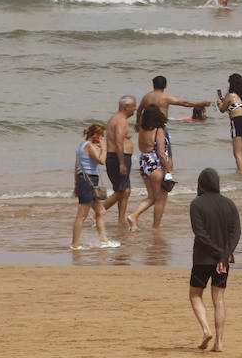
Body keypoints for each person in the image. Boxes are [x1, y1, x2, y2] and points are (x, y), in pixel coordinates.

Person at [189, 167, 240, 352]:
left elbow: (200, 234)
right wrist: (224, 255)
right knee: (218, 299)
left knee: (195, 295)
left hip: (202, 259)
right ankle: (219, 342)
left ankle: (206, 330)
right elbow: (236, 233)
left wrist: (217, 253)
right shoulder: (229, 204)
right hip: (223, 260)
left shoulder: (197, 204)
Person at [127, 105, 170, 230]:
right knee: (161, 199)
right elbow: (161, 153)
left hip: (144, 163)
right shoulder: (158, 130)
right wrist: (168, 169)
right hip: (156, 164)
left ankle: (134, 216)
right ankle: (155, 227)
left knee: (152, 197)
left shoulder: (142, 129)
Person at [72, 123, 115, 249]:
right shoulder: (89, 146)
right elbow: (101, 161)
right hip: (88, 180)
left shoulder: (81, 145)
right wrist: (104, 148)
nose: (102, 139)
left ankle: (104, 240)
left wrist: (76, 185)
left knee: (100, 211)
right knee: (82, 215)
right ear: (96, 136)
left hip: (84, 180)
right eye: (101, 136)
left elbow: (76, 167)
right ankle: (75, 244)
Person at [102, 96, 137, 225]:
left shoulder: (117, 119)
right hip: (118, 157)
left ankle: (121, 220)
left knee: (125, 190)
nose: (135, 108)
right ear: (126, 107)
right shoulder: (120, 120)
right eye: (133, 106)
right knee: (122, 191)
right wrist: (122, 163)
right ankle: (98, 213)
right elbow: (118, 141)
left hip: (117, 156)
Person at [215, 73, 242, 172]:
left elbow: (222, 109)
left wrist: (219, 103)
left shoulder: (230, 95)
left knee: (237, 154)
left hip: (237, 122)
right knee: (240, 153)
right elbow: (234, 107)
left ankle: (241, 174)